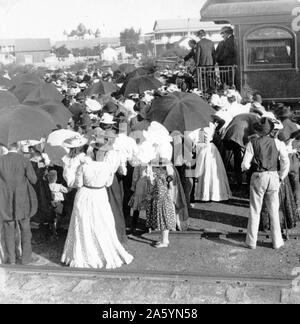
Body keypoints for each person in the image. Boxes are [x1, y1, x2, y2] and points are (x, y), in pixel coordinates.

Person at [61, 136, 134, 269]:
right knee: (102, 222)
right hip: (100, 194)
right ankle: (101, 252)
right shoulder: (107, 167)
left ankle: (84, 253)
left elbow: (78, 183)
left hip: (84, 194)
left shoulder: (84, 165)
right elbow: (108, 183)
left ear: (93, 152)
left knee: (83, 222)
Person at [241, 117, 290, 250]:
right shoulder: (278, 143)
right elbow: (286, 162)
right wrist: (281, 176)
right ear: (271, 130)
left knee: (255, 210)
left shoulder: (252, 143)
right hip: (274, 176)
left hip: (258, 176)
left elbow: (245, 164)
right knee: (274, 210)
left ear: (259, 130)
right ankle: (277, 242)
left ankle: (251, 242)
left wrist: (244, 169)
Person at [0, 142, 38, 265]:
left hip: (5, 199)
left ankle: (11, 259)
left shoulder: (1, 160)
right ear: (17, 147)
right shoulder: (24, 160)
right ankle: (26, 259)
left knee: (9, 229)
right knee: (25, 229)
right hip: (22, 199)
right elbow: (34, 179)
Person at [190, 123, 232, 202]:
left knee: (204, 169)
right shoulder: (211, 125)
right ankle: (214, 193)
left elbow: (196, 140)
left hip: (203, 148)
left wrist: (194, 147)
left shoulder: (198, 128)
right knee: (213, 170)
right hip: (211, 148)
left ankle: (205, 194)